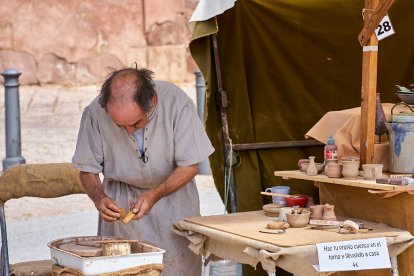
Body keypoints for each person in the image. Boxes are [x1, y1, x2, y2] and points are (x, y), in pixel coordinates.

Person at [72, 66, 214, 275]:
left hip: (174, 202)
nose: (128, 131)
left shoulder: (177, 103)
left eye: (135, 123)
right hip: (121, 205)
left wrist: (155, 194)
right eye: (119, 125)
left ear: (152, 102)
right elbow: (87, 170)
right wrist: (99, 197)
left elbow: (189, 167)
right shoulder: (95, 113)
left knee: (178, 269)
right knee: (125, 270)